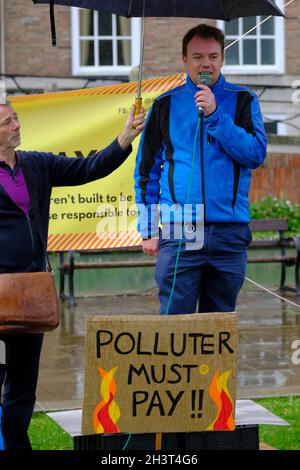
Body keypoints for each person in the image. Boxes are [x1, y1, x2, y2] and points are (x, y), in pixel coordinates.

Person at [0, 100, 145, 450]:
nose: (17, 125)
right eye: (7, 122)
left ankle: (18, 445)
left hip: (31, 295)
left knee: (22, 387)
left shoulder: (36, 164)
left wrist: (124, 137)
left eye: (15, 118)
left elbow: (88, 169)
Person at [134, 24, 267, 316]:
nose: (206, 63)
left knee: (218, 327)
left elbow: (255, 154)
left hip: (229, 230)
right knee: (174, 323)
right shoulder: (164, 104)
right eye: (197, 57)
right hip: (180, 227)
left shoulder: (243, 99)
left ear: (222, 59)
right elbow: (147, 173)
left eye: (213, 56)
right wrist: (147, 229)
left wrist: (216, 115)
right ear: (184, 59)